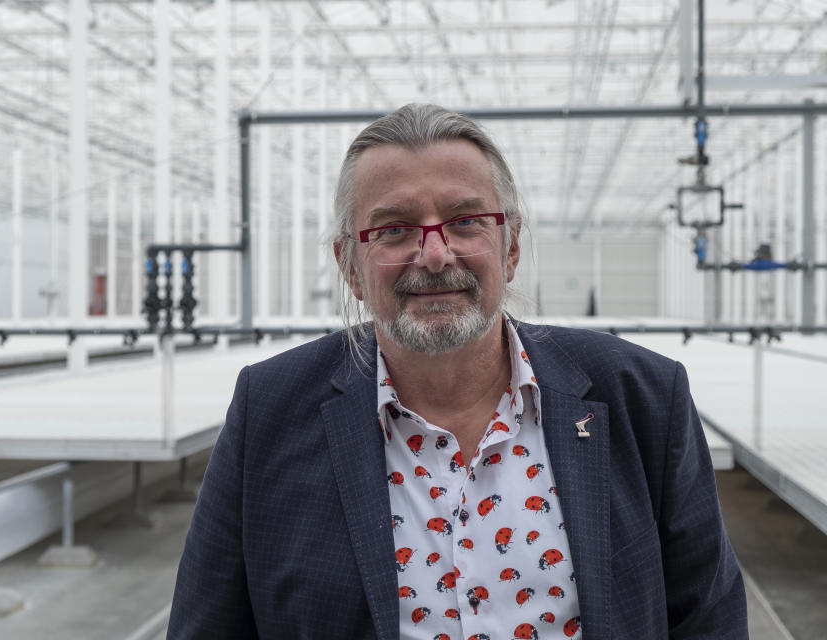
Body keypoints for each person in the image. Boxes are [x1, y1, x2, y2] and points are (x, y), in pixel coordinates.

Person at [167, 104, 747, 639]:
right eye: (393, 229)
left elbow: (709, 617)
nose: (436, 253)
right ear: (349, 265)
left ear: (511, 243)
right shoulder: (269, 410)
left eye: (467, 222)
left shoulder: (641, 398)